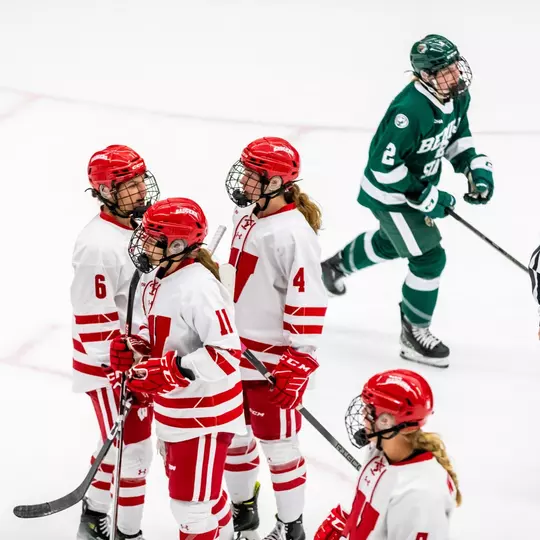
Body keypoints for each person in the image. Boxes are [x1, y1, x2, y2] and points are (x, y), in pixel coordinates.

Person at [321, 34, 494, 368]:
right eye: (445, 70)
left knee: (396, 242)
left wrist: (474, 168)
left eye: (455, 65)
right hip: (390, 195)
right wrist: (427, 195)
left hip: (413, 189)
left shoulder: (457, 95)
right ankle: (413, 333)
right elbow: (382, 168)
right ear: (425, 75)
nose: (455, 75)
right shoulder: (410, 110)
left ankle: (333, 268)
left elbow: (456, 136)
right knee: (428, 257)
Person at [109, 197, 246, 540]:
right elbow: (156, 334)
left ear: (179, 244)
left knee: (191, 507)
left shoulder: (199, 288)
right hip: (179, 410)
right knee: (204, 498)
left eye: (153, 238)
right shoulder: (158, 278)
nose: (143, 244)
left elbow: (227, 354)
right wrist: (137, 350)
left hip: (204, 415)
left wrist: (172, 370)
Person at [223, 137, 328, 540]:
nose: (245, 180)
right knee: (235, 438)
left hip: (274, 363)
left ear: (277, 182)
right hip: (234, 355)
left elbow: (308, 297)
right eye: (245, 170)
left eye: (254, 174)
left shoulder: (293, 234)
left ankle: (290, 527)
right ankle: (244, 513)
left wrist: (301, 359)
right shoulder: (246, 214)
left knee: (280, 448)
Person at [71, 144, 160, 540]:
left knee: (123, 443)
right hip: (112, 368)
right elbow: (92, 316)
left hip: (139, 361)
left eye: (142, 180)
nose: (140, 190)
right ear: (106, 192)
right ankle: (125, 532)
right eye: (129, 184)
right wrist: (116, 361)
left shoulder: (139, 227)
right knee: (134, 449)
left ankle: (92, 514)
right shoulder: (98, 244)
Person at [315, 368, 460, 540]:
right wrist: (348, 518)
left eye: (369, 410)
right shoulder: (382, 449)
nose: (362, 415)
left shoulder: (420, 496)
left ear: (386, 422)